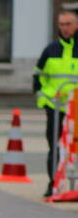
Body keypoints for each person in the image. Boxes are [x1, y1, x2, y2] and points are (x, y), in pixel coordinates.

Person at [33, 11, 78, 196]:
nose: (65, 28)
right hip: (55, 106)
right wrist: (44, 99)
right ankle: (53, 183)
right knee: (55, 146)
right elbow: (39, 77)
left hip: (76, 108)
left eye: (68, 24)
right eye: (61, 24)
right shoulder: (50, 49)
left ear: (76, 25)